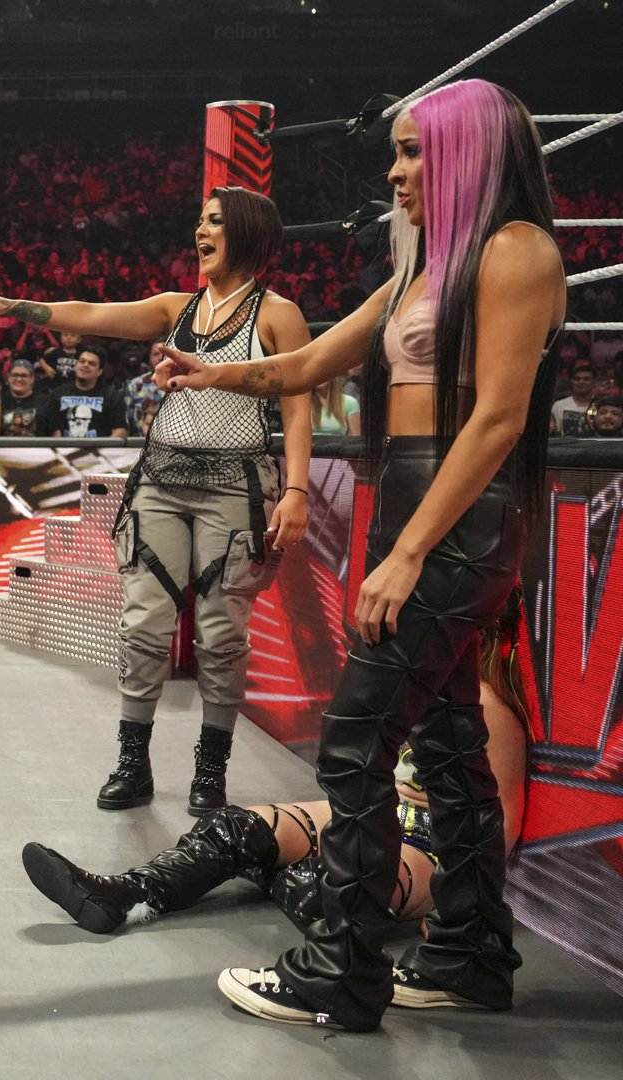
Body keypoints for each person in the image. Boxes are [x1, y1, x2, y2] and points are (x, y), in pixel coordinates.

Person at [152, 80, 564, 1030]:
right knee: (449, 746)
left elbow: (499, 418)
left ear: (469, 150)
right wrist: (210, 372)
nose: (396, 170)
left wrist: (410, 551)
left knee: (355, 739)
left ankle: (340, 970)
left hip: (457, 516)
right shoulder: (426, 265)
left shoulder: (516, 249)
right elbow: (306, 364)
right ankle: (471, 955)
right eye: (396, 151)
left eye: (415, 151)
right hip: (420, 501)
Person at [0, 185, 311, 817]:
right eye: (199, 221)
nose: (200, 231)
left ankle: (211, 772)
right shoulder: (177, 307)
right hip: (161, 481)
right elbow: (89, 314)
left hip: (237, 486)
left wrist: (298, 490)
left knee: (222, 632)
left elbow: (299, 405)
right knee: (143, 622)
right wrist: (9, 306)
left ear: (247, 232)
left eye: (214, 222)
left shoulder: (278, 315)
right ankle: (132, 764)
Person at [24, 599, 528, 939]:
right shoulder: (410, 685)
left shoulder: (488, 707)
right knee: (231, 829)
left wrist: (456, 902)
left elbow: (499, 822)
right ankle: (122, 893)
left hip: (432, 845)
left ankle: (263, 868)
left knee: (320, 888)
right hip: (380, 814)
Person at [33, 349, 129, 439]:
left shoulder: (111, 396)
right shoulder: (58, 394)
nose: (85, 365)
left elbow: (121, 430)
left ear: (99, 372)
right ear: (75, 366)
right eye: (82, 361)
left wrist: (102, 448)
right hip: (65, 449)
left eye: (91, 363)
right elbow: (54, 431)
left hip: (101, 449)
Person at [0, 359, 43, 436]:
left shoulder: (44, 401)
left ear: (32, 378)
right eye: (15, 375)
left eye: (24, 375)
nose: (19, 379)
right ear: (8, 377)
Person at [551, 363, 595, 435]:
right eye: (577, 379)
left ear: (594, 382)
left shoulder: (600, 405)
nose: (581, 382)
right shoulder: (558, 405)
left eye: (586, 379)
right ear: (572, 381)